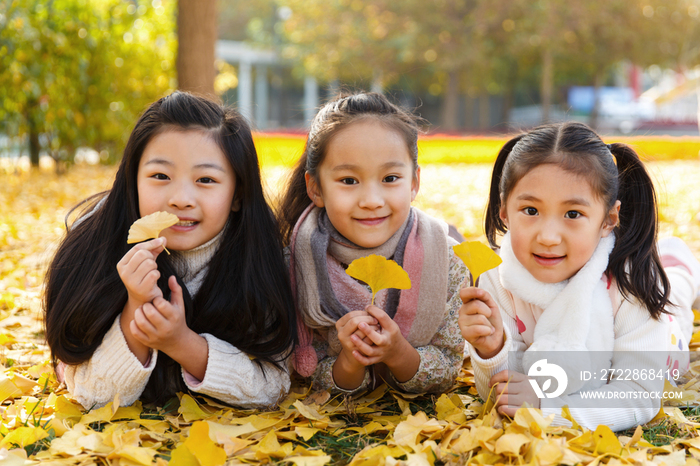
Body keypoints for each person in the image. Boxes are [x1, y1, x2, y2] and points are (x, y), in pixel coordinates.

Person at [44, 92, 296, 409]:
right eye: (160, 176)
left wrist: (181, 343)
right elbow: (94, 396)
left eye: (206, 179)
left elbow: (272, 387)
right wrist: (136, 305)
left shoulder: (259, 257)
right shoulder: (95, 247)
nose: (180, 198)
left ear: (237, 194)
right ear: (132, 181)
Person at [460, 121, 699, 431]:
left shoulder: (631, 284)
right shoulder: (498, 281)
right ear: (504, 210)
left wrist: (550, 408)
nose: (548, 237)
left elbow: (639, 394)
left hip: (665, 338)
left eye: (572, 214)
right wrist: (491, 350)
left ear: (608, 220)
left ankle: (680, 262)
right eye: (530, 211)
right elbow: (505, 392)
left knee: (675, 294)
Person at [278, 92, 468, 395]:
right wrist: (350, 361)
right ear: (315, 188)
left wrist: (398, 353)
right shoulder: (296, 266)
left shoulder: (446, 263)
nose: (371, 201)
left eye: (390, 178)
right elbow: (308, 372)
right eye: (349, 181)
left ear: (414, 183)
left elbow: (447, 368)